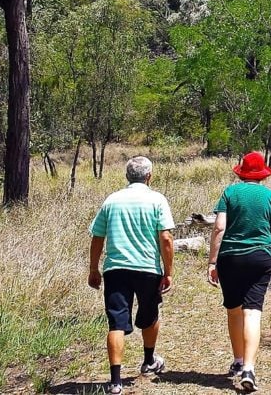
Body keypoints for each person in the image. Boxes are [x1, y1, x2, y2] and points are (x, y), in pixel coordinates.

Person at [88, 156, 175, 395]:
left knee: (116, 322)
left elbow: (97, 236)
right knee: (150, 314)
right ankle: (148, 360)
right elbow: (166, 239)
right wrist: (168, 272)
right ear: (149, 176)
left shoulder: (112, 200)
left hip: (116, 269)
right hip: (147, 268)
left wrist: (94, 268)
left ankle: (115, 381)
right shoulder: (157, 199)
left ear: (127, 176)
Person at [208, 151, 271, 393]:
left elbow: (219, 227)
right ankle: (249, 369)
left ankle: (238, 361)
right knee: (253, 312)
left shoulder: (230, 192)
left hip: (230, 258)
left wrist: (212, 262)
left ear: (241, 172)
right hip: (260, 258)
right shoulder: (270, 197)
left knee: (233, 310)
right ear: (263, 175)